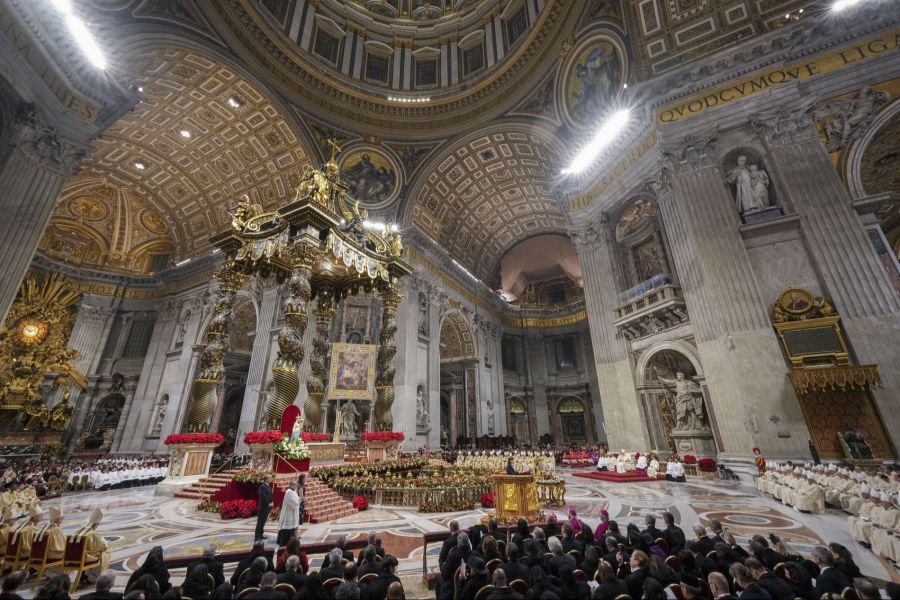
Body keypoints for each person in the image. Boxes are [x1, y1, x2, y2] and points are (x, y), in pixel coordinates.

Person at [277, 480, 301, 546]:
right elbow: (294, 502)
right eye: (295, 484)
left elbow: (298, 500)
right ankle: (284, 542)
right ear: (291, 485)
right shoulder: (289, 492)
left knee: (292, 528)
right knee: (288, 528)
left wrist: (299, 500)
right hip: (288, 513)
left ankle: (291, 542)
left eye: (296, 485)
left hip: (293, 512)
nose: (296, 486)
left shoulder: (294, 492)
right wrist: (298, 501)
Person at [255, 475, 273, 541]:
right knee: (260, 522)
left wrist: (272, 502)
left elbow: (270, 495)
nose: (271, 479)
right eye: (270, 478)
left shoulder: (268, 486)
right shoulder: (262, 486)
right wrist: (269, 503)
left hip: (267, 507)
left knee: (263, 522)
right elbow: (263, 496)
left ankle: (261, 534)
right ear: (266, 479)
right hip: (263, 507)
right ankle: (257, 537)